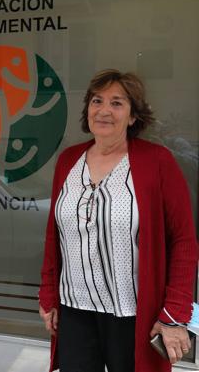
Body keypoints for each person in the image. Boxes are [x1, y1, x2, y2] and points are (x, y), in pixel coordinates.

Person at [38, 69, 197, 372]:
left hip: (134, 315)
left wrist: (174, 314)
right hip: (75, 311)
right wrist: (48, 294)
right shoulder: (68, 160)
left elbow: (184, 241)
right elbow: (54, 236)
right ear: (88, 109)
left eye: (117, 103)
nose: (104, 110)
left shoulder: (157, 161)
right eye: (97, 101)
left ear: (133, 116)